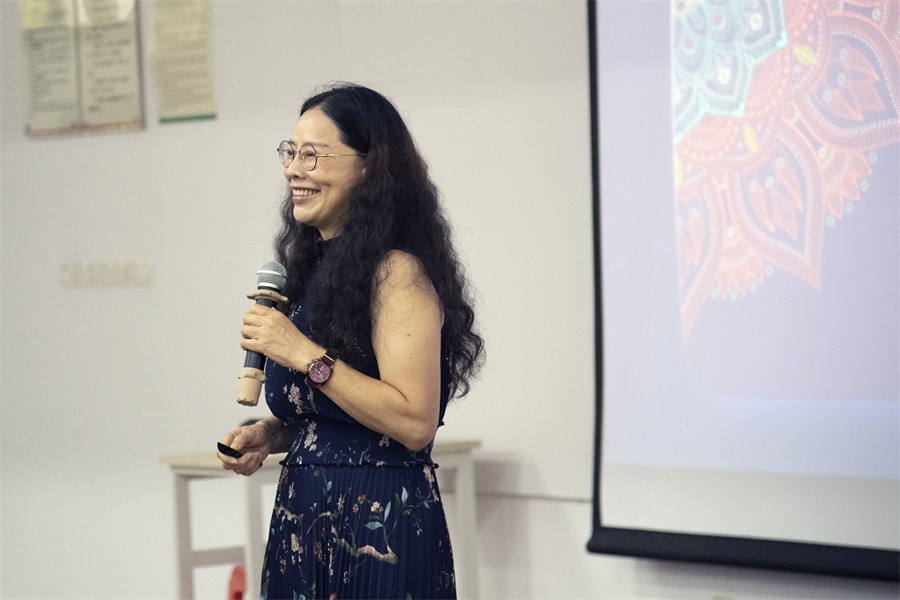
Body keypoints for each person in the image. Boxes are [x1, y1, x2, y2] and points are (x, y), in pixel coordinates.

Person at [217, 82, 484, 599]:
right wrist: (271, 434)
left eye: (312, 155)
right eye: (290, 153)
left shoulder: (396, 272)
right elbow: (337, 418)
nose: (293, 170)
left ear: (368, 167)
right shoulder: (310, 270)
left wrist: (303, 354)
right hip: (304, 516)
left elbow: (413, 422)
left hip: (380, 525)